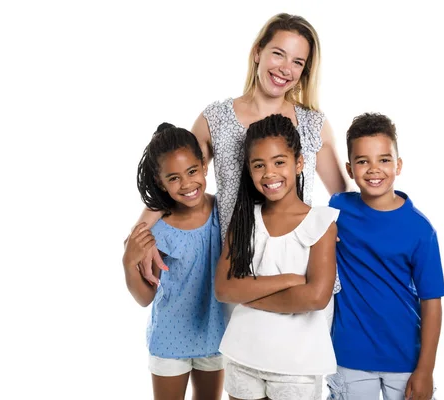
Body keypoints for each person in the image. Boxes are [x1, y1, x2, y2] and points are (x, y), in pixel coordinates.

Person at [133, 12, 347, 284]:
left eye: (297, 62)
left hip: (297, 264)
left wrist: (332, 233)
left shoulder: (312, 124)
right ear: (258, 51)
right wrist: (140, 235)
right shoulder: (216, 119)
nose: (285, 69)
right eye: (278, 54)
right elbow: (178, 175)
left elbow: (343, 198)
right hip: (238, 268)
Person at [215, 114, 339, 400]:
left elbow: (315, 297)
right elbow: (224, 289)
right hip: (243, 354)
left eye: (279, 162)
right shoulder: (245, 220)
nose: (269, 173)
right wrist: (290, 280)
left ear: (298, 163)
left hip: (297, 364)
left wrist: (247, 294)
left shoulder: (320, 222)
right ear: (249, 170)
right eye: (259, 165)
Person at [326, 113, 444, 400]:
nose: (373, 169)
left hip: (405, 357)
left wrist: (426, 370)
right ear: (350, 168)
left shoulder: (420, 229)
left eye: (384, 159)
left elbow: (432, 302)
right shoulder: (337, 209)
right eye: (363, 161)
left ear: (398, 165)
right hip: (348, 353)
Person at [122, 123, 226, 400]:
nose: (187, 183)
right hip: (169, 338)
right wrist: (127, 263)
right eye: (174, 178)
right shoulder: (159, 230)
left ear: (204, 166)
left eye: (192, 171)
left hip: (215, 334)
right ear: (161, 183)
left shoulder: (223, 212)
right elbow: (145, 297)